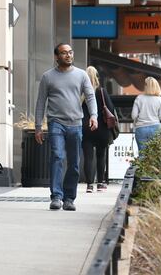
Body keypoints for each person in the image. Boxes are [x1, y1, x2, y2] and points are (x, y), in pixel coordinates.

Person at [34, 43, 97, 212]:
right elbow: (41, 102)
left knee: (74, 163)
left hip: (76, 123)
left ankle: (69, 198)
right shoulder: (48, 77)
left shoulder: (82, 75)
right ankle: (56, 196)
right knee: (57, 156)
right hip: (56, 122)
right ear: (56, 57)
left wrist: (94, 115)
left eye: (70, 52)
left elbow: (90, 96)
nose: (68, 55)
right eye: (64, 53)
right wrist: (38, 126)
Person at [82, 66, 115, 193]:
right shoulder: (101, 91)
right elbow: (110, 108)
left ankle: (89, 185)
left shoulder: (82, 92)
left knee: (88, 157)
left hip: (85, 128)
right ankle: (100, 184)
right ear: (96, 76)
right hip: (101, 128)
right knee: (101, 156)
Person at [132, 76, 161, 153]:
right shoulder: (159, 99)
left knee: (142, 155)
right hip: (155, 128)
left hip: (141, 129)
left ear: (146, 86)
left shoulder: (139, 98)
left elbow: (133, 116)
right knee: (154, 156)